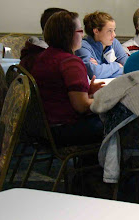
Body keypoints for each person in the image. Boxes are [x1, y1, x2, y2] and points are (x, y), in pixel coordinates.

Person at [31, 11, 105, 146]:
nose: (82, 36)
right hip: (63, 129)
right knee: (115, 123)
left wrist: (86, 91)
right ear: (69, 34)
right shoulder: (70, 62)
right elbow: (81, 106)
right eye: (80, 31)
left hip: (41, 129)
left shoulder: (42, 57)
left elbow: (57, 93)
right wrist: (105, 100)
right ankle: (96, 166)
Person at [75, 11, 128, 79]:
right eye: (110, 31)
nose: (114, 35)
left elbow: (129, 68)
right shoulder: (83, 46)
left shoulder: (114, 43)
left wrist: (101, 68)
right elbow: (94, 73)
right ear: (96, 31)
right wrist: (117, 65)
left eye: (114, 30)